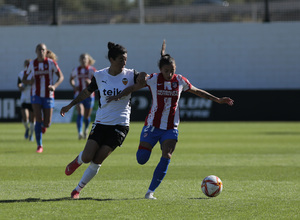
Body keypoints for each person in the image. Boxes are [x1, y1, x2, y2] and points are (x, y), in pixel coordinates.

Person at [107, 40, 234, 199]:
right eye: (166, 70)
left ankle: (150, 192)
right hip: (152, 125)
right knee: (141, 159)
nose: (170, 74)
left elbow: (198, 91)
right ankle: (146, 159)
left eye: (172, 70)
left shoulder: (180, 81)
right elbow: (133, 87)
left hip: (171, 128)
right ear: (160, 70)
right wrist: (117, 96)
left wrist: (217, 100)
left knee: (167, 155)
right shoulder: (153, 79)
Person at [60, 42, 146, 199]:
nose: (124, 62)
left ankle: (77, 190)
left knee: (97, 159)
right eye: (121, 59)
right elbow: (86, 92)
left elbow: (145, 80)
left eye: (125, 59)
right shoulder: (100, 75)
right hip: (101, 122)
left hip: (120, 125)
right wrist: (70, 105)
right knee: (87, 157)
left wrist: (144, 76)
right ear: (112, 59)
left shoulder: (130, 74)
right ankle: (77, 161)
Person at [23, 43, 64, 153]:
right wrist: (29, 82)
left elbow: (61, 76)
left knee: (47, 123)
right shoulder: (32, 64)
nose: (41, 51)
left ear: (46, 52)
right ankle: (39, 145)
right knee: (38, 118)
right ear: (36, 51)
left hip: (48, 95)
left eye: (43, 50)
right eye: (39, 50)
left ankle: (43, 127)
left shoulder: (51, 63)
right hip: (35, 95)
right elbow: (24, 79)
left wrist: (54, 86)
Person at [70, 53, 97, 140]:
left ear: (88, 60)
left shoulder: (92, 70)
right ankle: (80, 132)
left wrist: (90, 83)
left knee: (87, 116)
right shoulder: (76, 70)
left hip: (89, 95)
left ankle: (86, 130)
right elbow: (71, 79)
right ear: (79, 60)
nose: (83, 60)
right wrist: (74, 86)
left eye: (84, 59)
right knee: (80, 113)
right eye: (81, 59)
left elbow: (98, 82)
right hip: (78, 95)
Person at [17, 59, 35, 141]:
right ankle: (27, 128)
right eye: (26, 64)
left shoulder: (34, 73)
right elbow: (19, 84)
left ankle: (31, 134)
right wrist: (20, 87)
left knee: (32, 118)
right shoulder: (21, 74)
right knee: (25, 117)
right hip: (24, 98)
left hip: (33, 98)